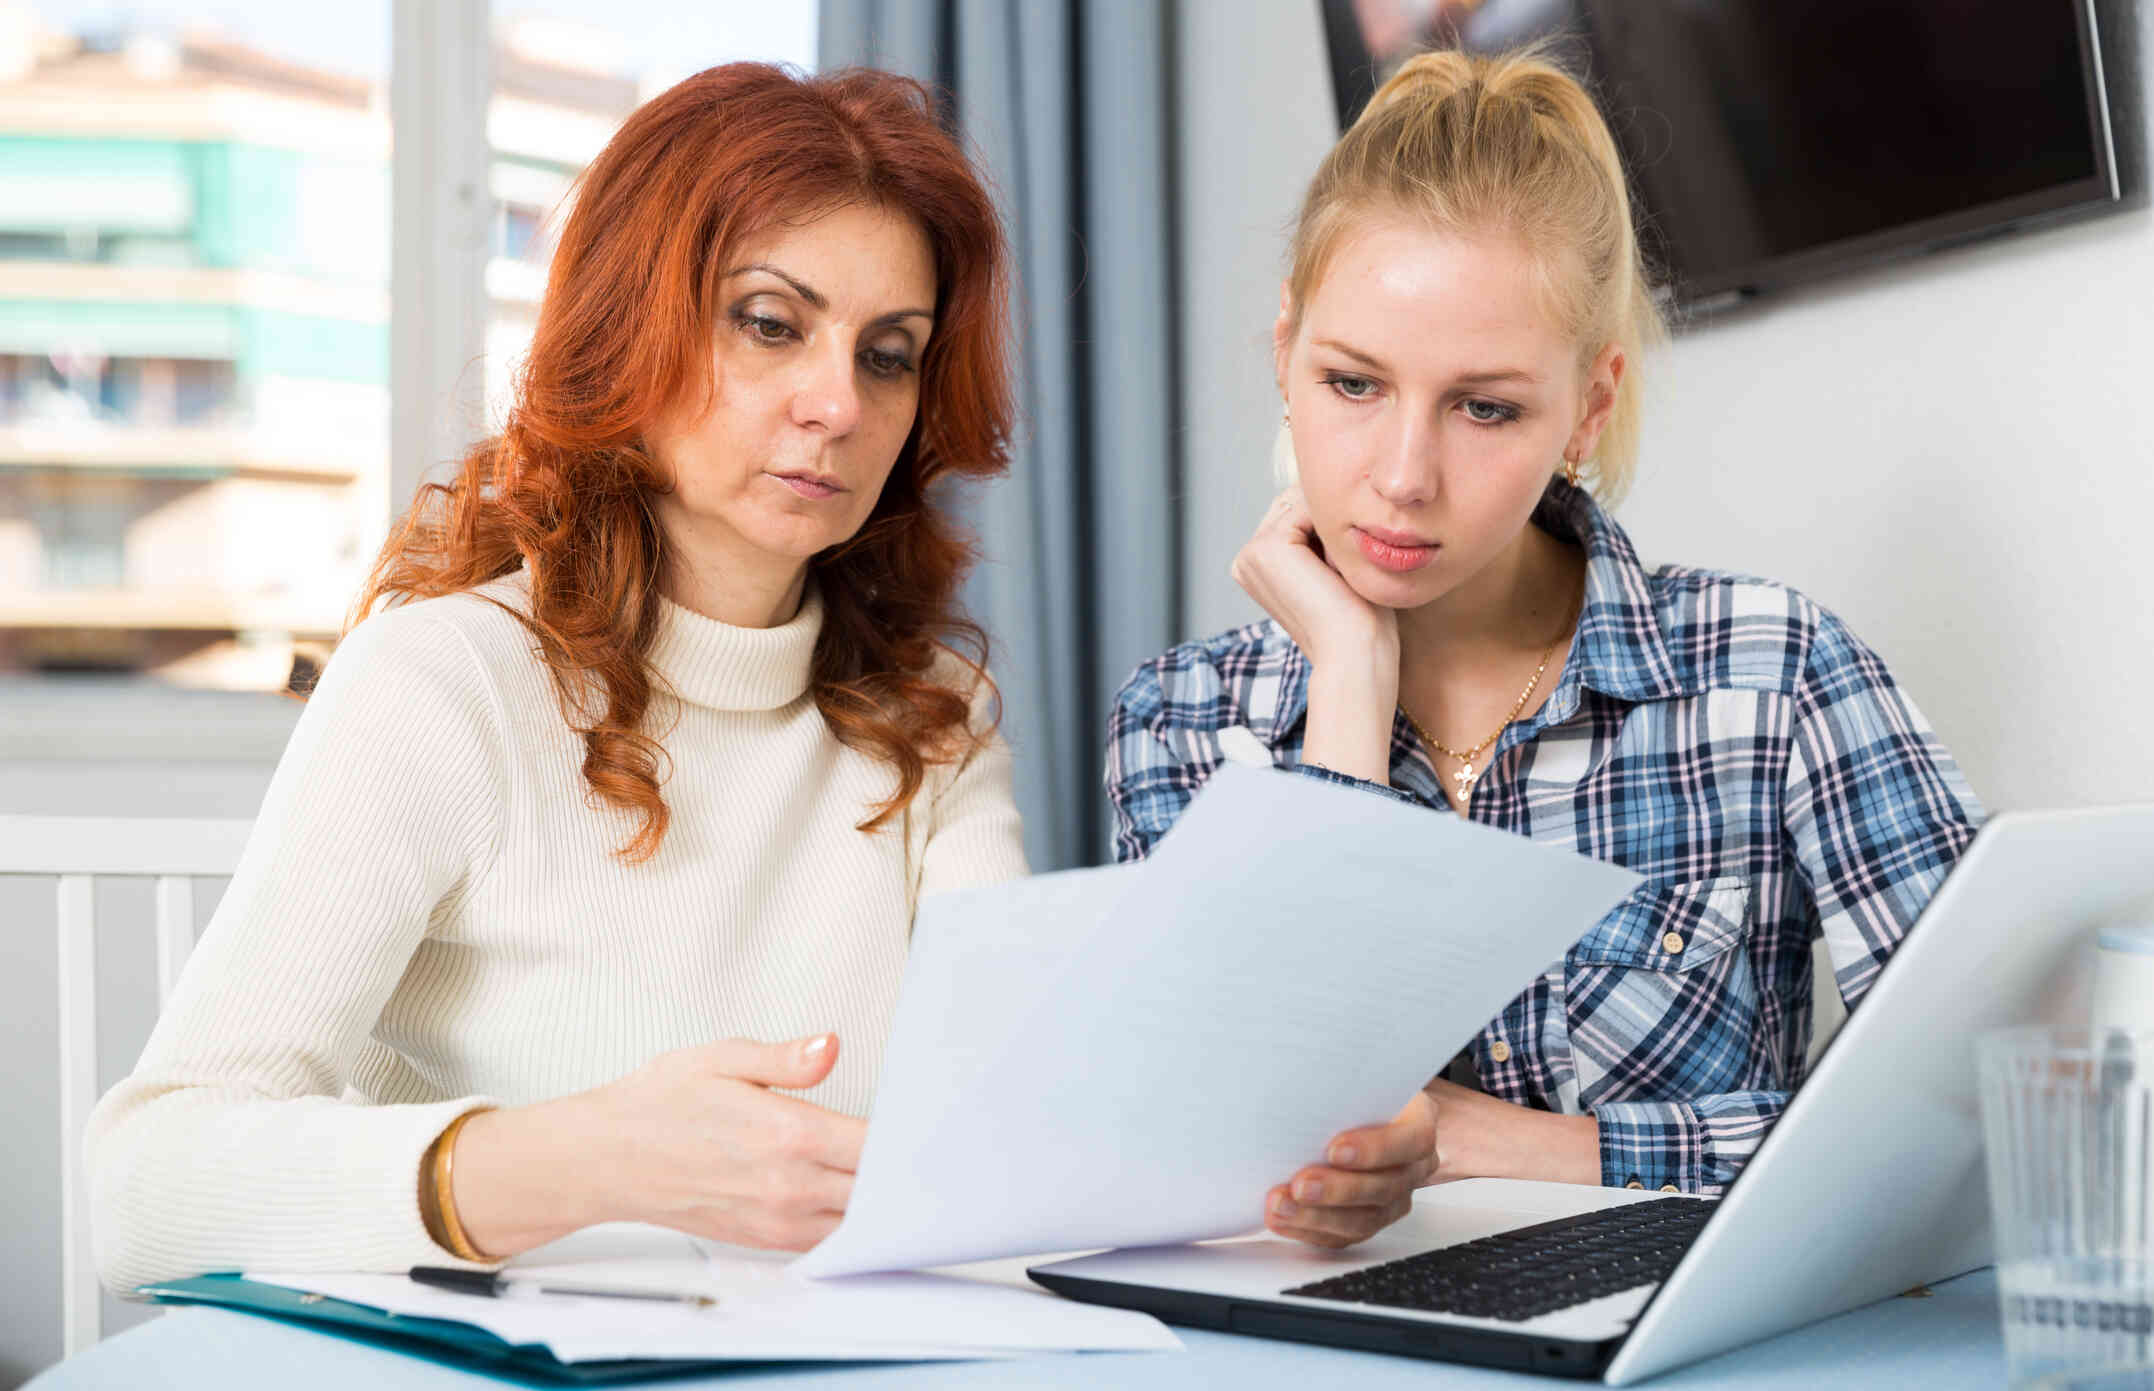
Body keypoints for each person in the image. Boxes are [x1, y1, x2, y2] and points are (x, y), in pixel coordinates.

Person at [86, 63, 1029, 1289]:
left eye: (890, 354)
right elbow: (143, 1191)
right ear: (630, 326)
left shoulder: (934, 719)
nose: (837, 402)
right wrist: (588, 1159)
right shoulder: (447, 683)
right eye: (769, 322)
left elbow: (1010, 1125)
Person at [1106, 46, 1983, 1250]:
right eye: (1354, 383)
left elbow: (1984, 1104)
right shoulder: (1181, 722)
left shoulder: (1769, 674)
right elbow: (1219, 1156)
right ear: (1284, 357)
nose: (1404, 477)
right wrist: (1350, 691)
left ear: (1590, 407)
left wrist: (1518, 1144)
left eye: (1486, 407)